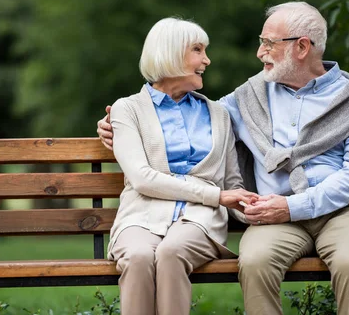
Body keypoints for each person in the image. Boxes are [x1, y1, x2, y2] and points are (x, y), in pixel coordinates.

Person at [97, 2, 349, 315]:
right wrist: (115, 127)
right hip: (275, 214)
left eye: (268, 44)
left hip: (346, 210)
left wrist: (290, 206)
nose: (260, 53)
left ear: (301, 47)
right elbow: (192, 115)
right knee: (254, 261)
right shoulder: (249, 96)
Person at [105, 17, 258, 315]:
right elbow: (142, 178)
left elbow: (231, 183)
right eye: (198, 50)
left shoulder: (218, 114)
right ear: (171, 53)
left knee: (171, 252)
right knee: (137, 256)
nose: (207, 60)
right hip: (140, 215)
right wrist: (216, 196)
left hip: (199, 220)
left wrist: (249, 205)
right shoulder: (128, 109)